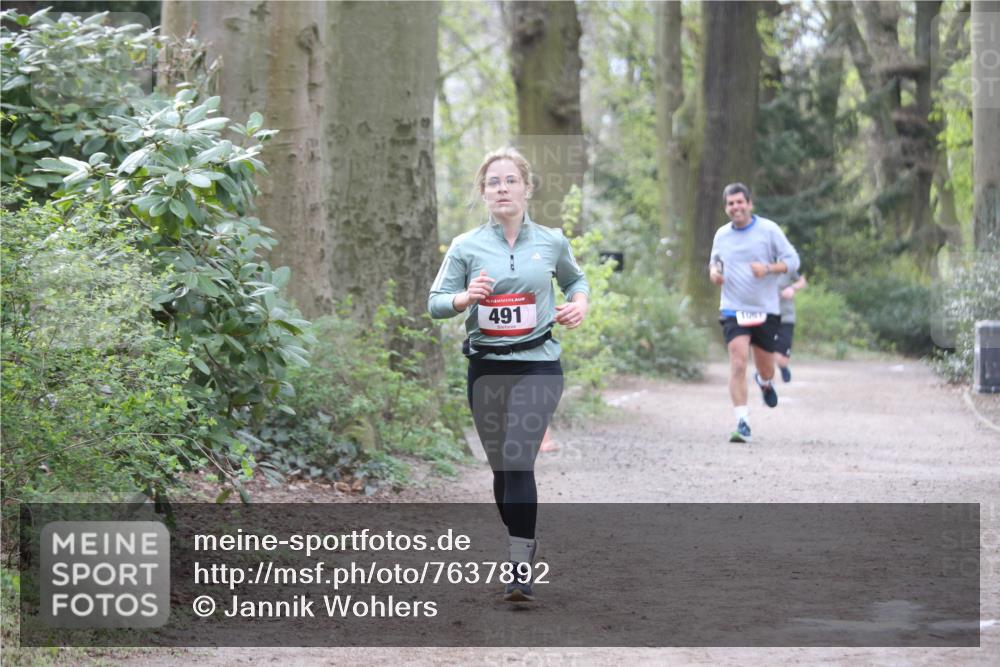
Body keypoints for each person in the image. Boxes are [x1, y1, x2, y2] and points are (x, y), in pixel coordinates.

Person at [428, 147, 590, 601]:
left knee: (518, 457)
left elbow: (575, 281)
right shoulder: (465, 246)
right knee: (502, 467)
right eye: (493, 182)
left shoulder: (552, 242)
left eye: (511, 180)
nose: (502, 188)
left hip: (539, 363)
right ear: (483, 192)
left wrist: (578, 304)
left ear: (527, 188)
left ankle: (520, 565)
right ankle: (524, 536)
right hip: (486, 368)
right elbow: (435, 302)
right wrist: (465, 299)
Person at [708, 183, 799, 444]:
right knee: (738, 362)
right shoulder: (722, 235)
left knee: (766, 367)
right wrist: (714, 274)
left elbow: (793, 261)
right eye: (730, 203)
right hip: (733, 308)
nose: (735, 207)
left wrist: (768, 269)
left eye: (740, 202)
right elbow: (715, 263)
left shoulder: (768, 230)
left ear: (749, 204)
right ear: (726, 208)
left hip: (765, 309)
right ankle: (742, 422)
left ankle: (764, 381)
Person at [776, 271, 807, 382]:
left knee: (782, 359)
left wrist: (792, 288)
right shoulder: (759, 265)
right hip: (766, 315)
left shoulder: (788, 265)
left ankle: (782, 366)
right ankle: (763, 373)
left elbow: (803, 282)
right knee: (766, 348)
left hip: (786, 316)